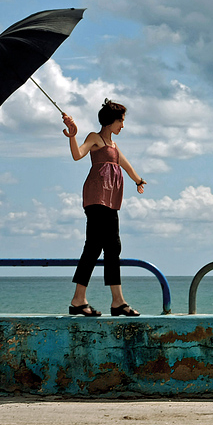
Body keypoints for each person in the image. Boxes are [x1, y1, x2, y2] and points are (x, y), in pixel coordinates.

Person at [61, 99, 147, 317]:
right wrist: (72, 135)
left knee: (109, 247)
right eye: (121, 121)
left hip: (110, 201)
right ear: (111, 121)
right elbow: (77, 154)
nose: (123, 126)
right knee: (99, 246)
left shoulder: (114, 146)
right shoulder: (95, 138)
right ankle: (86, 300)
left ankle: (109, 301)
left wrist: (138, 180)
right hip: (97, 198)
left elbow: (125, 165)